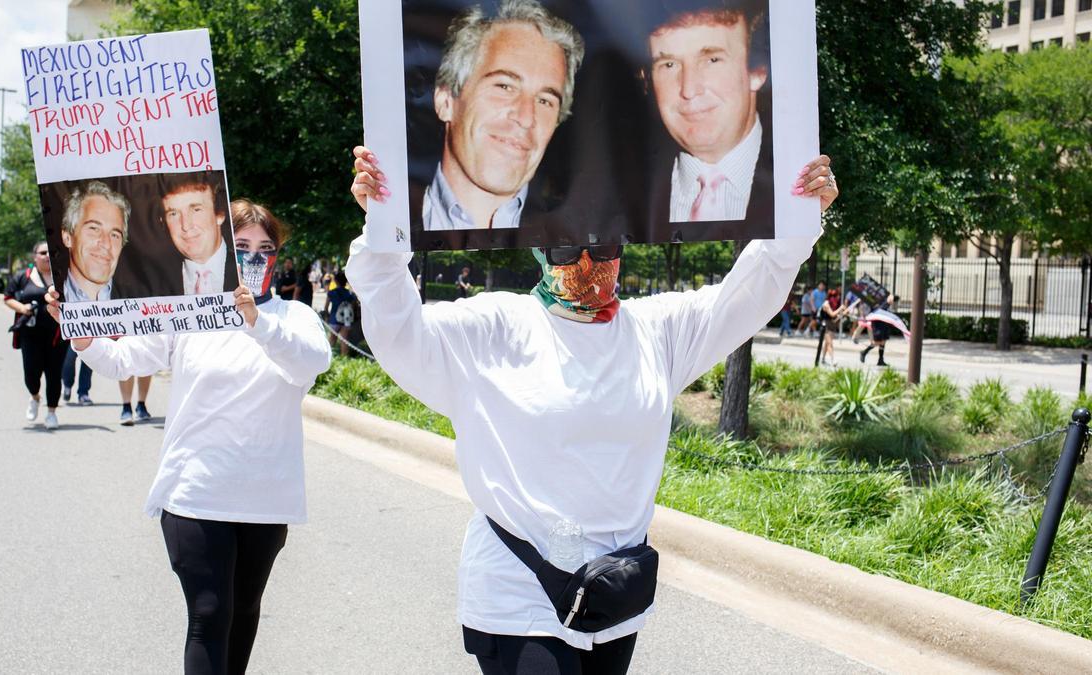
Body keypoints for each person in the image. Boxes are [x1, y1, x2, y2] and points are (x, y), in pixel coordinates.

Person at [350, 145, 838, 673]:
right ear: (538, 246)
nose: (586, 260)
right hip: (521, 597)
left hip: (613, 594)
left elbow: (751, 292)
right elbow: (398, 329)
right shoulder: (490, 330)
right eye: (565, 247)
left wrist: (798, 214)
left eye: (601, 243)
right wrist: (385, 227)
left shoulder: (658, 331)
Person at [48, 199, 330, 674]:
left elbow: (309, 362)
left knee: (243, 614)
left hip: (265, 500)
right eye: (242, 246)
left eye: (266, 248)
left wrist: (256, 323)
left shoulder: (293, 318)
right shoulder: (191, 314)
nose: (255, 257)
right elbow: (123, 359)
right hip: (195, 494)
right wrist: (81, 335)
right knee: (209, 612)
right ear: (223, 251)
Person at [422, 0, 584, 231]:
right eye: (505, 86)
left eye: (545, 101)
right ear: (446, 100)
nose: (526, 117)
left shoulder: (579, 236)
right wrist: (380, 216)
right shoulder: (400, 221)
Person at [645, 0, 772, 226]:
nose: (689, 89)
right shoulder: (618, 195)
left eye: (712, 60)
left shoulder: (793, 181)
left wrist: (813, 209)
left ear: (757, 71)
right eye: (669, 64)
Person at [7, 242, 67, 430]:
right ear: (35, 256)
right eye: (43, 253)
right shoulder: (23, 277)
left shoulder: (63, 278)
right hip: (30, 334)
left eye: (51, 252)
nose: (47, 256)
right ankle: (34, 396)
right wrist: (22, 308)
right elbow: (8, 297)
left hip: (57, 335)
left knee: (54, 374)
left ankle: (51, 412)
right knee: (31, 374)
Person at [161, 174, 238, 295]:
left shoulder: (246, 271)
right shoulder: (150, 283)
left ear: (220, 215)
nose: (186, 226)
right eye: (173, 214)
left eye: (196, 209)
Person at [61, 181, 130, 302]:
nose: (106, 244)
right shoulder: (48, 304)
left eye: (115, 235)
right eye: (94, 228)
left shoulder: (145, 304)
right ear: (68, 238)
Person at [325, 271, 357, 357]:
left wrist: (326, 316)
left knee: (332, 339)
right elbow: (353, 307)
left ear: (335, 281)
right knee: (344, 340)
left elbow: (326, 307)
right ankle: (344, 359)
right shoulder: (350, 294)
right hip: (346, 320)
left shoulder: (331, 293)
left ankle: (327, 357)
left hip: (334, 319)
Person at [860, 295, 898, 367]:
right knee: (877, 342)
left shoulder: (886, 303)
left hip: (884, 325)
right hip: (878, 326)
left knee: (883, 342)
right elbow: (880, 310)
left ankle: (880, 360)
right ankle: (864, 352)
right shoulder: (881, 302)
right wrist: (887, 302)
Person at [817, 287, 844, 367]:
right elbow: (832, 314)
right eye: (836, 296)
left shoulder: (834, 304)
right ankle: (833, 359)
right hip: (825, 325)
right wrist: (840, 309)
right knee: (829, 343)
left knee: (826, 343)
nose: (838, 297)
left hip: (831, 325)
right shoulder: (826, 304)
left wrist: (843, 312)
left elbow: (835, 317)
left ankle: (823, 359)